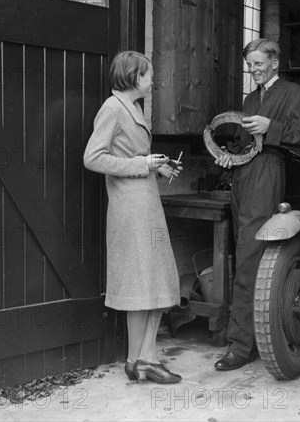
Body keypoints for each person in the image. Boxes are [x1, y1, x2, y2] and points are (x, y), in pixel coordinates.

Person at [214, 38, 300, 370]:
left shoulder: (293, 94)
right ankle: (256, 337)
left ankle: (239, 346)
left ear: (275, 62)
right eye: (250, 65)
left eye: (258, 64)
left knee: (248, 258)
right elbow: (247, 143)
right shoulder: (251, 97)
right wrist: (231, 157)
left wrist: (271, 127)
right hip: (245, 174)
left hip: (269, 173)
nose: (253, 70)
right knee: (246, 256)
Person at [83, 51, 183, 383]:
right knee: (144, 281)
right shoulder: (112, 109)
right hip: (131, 207)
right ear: (134, 77)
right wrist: (142, 166)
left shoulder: (133, 108)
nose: (152, 81)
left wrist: (161, 166)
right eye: (148, 75)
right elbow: (93, 158)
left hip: (143, 203)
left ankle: (141, 359)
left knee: (151, 281)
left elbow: (134, 155)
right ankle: (142, 359)